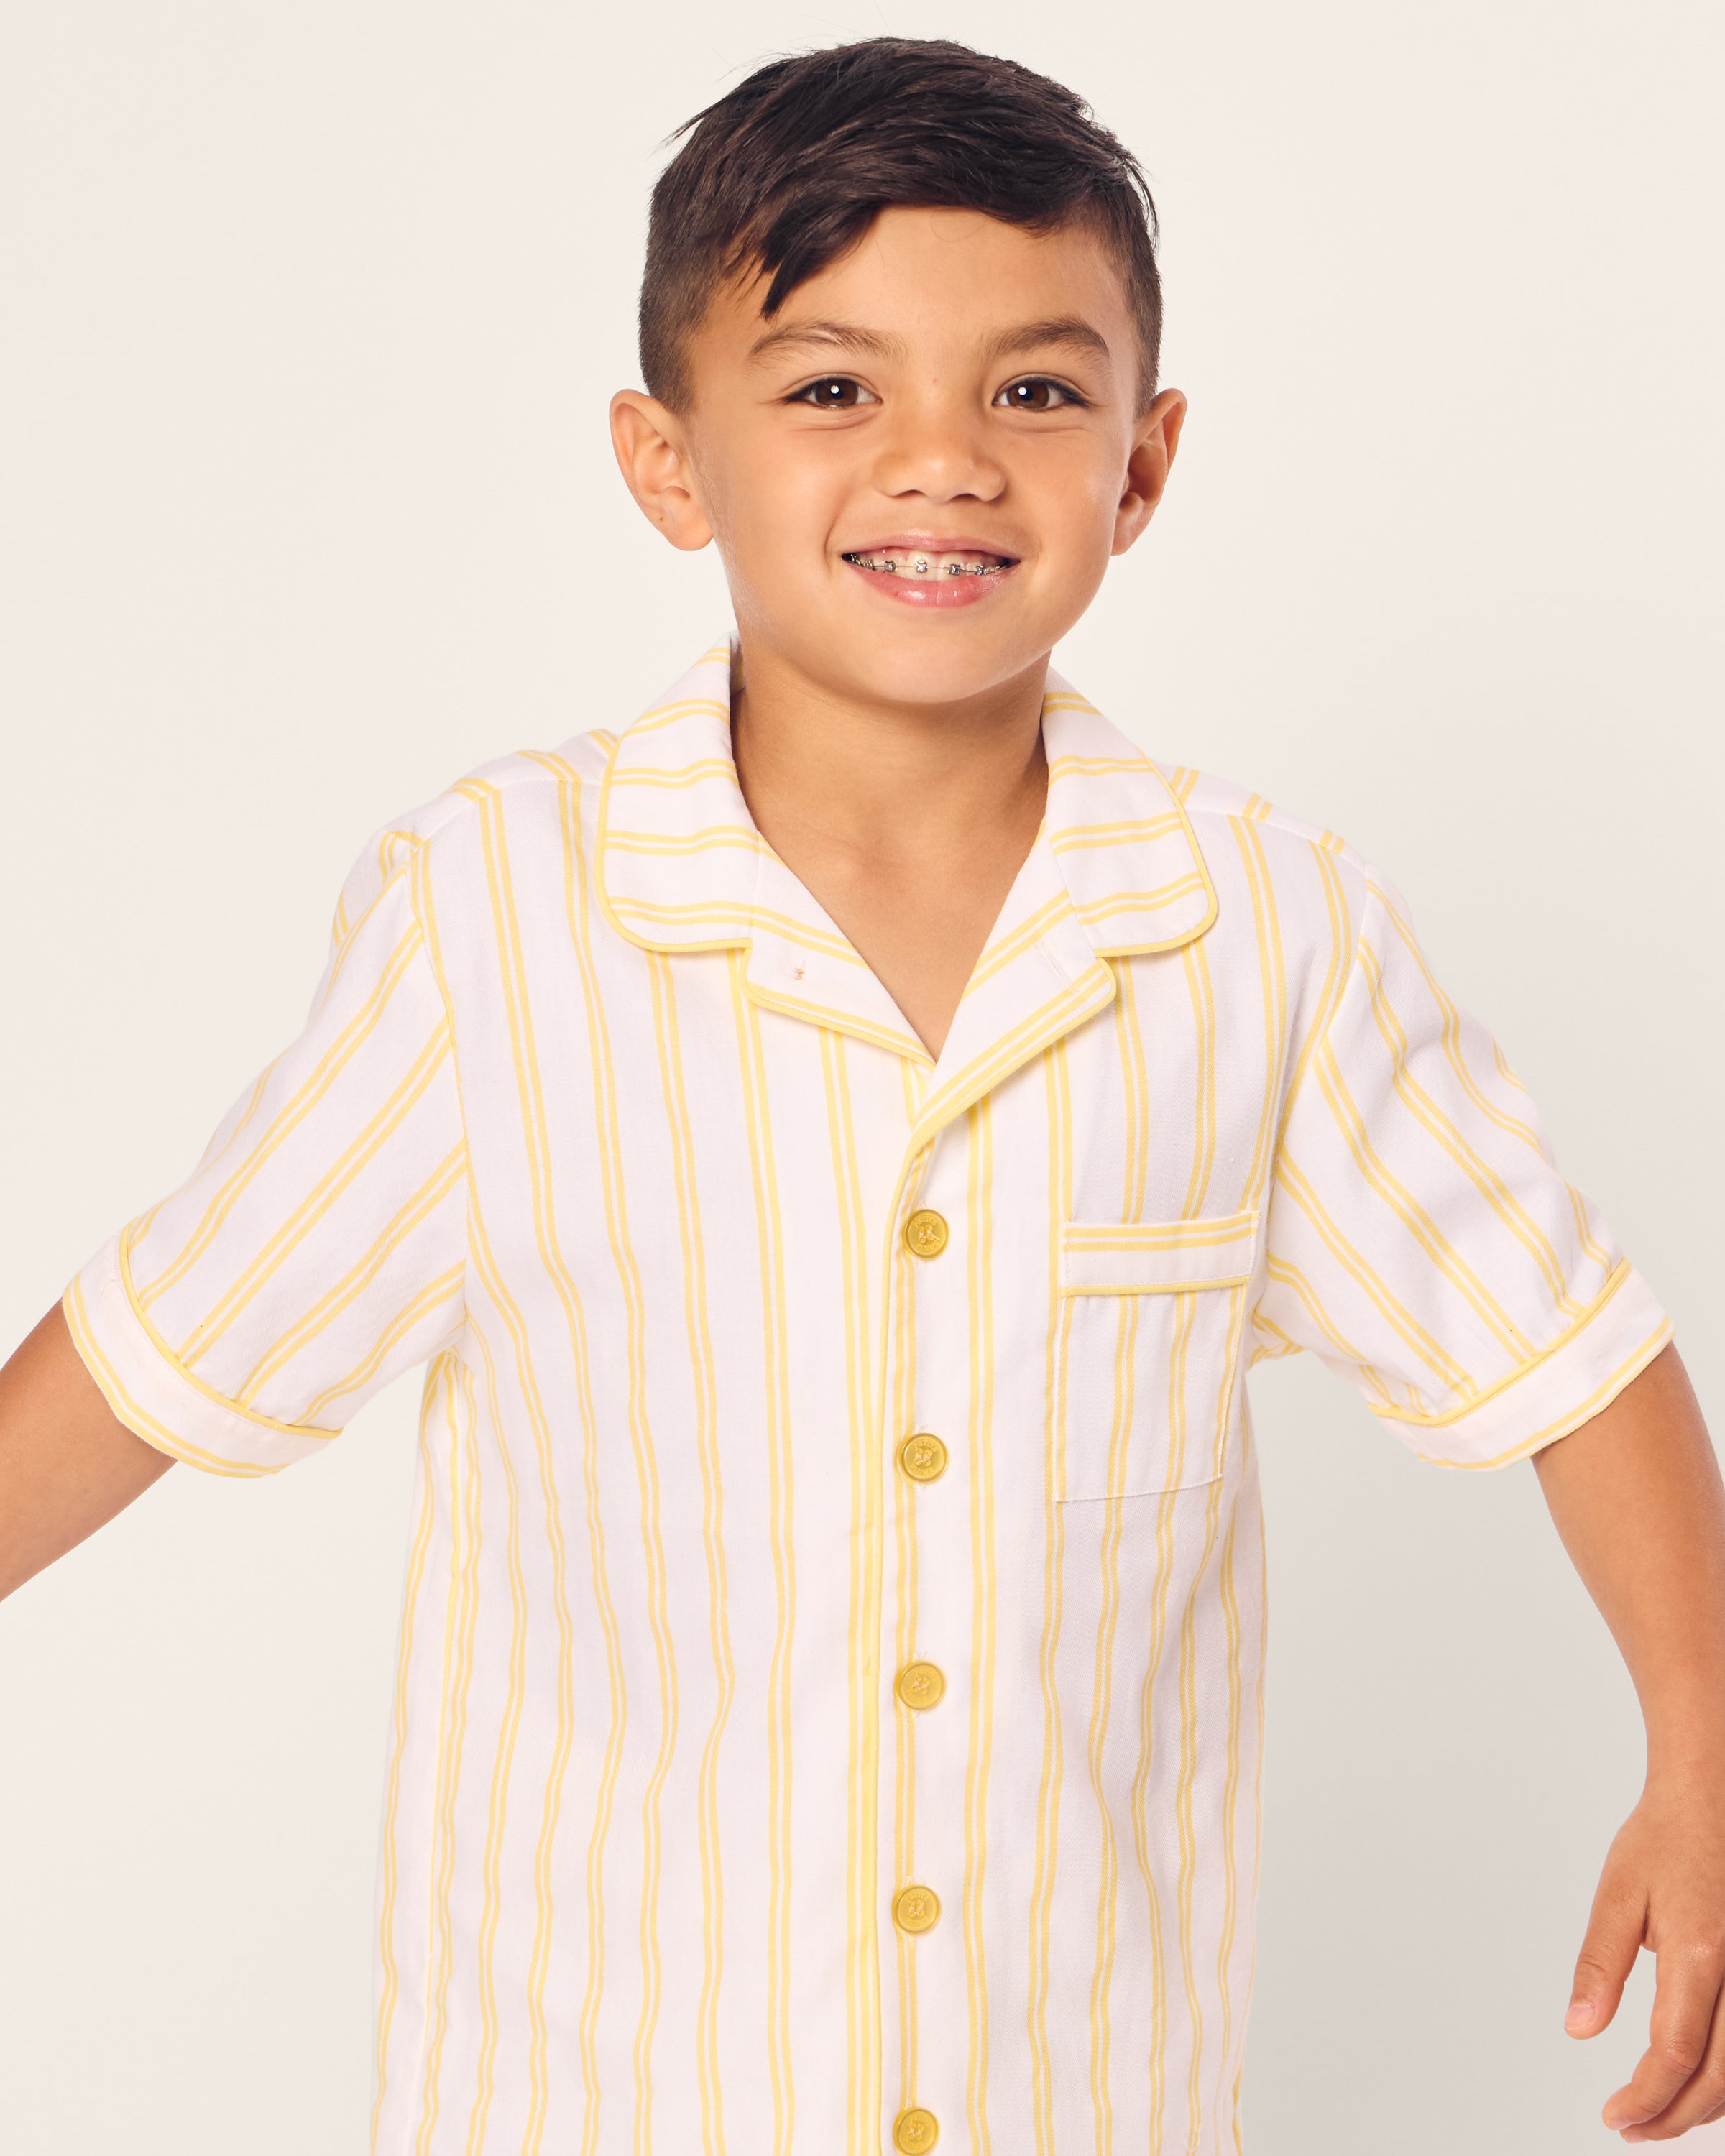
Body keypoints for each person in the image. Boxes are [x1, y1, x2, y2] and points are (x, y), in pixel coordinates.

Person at [2, 34, 1721, 2155]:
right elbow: (162, 1353)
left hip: (1083, 2107)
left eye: (1034, 388)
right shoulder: (497, 924)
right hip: (599, 2103)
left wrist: (1702, 1748)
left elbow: (1567, 1352)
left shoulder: (1268, 930)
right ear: (667, 459)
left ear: (1145, 462)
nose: (943, 460)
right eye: (832, 389)